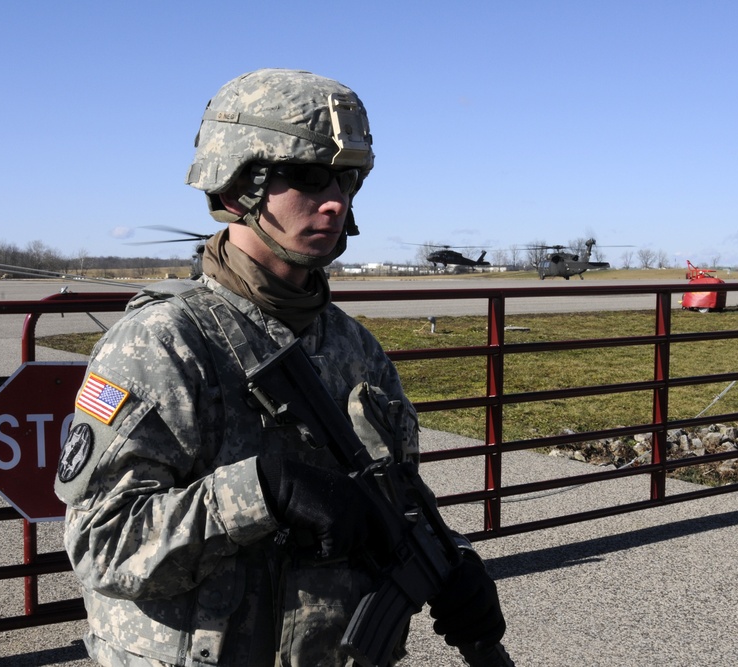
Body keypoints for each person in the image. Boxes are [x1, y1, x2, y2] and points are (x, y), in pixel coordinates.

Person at [55, 68, 507, 667]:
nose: (335, 199)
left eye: (347, 179)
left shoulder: (354, 346)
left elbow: (394, 496)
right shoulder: (165, 341)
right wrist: (261, 491)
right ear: (238, 184)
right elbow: (101, 544)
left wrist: (448, 560)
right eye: (307, 176)